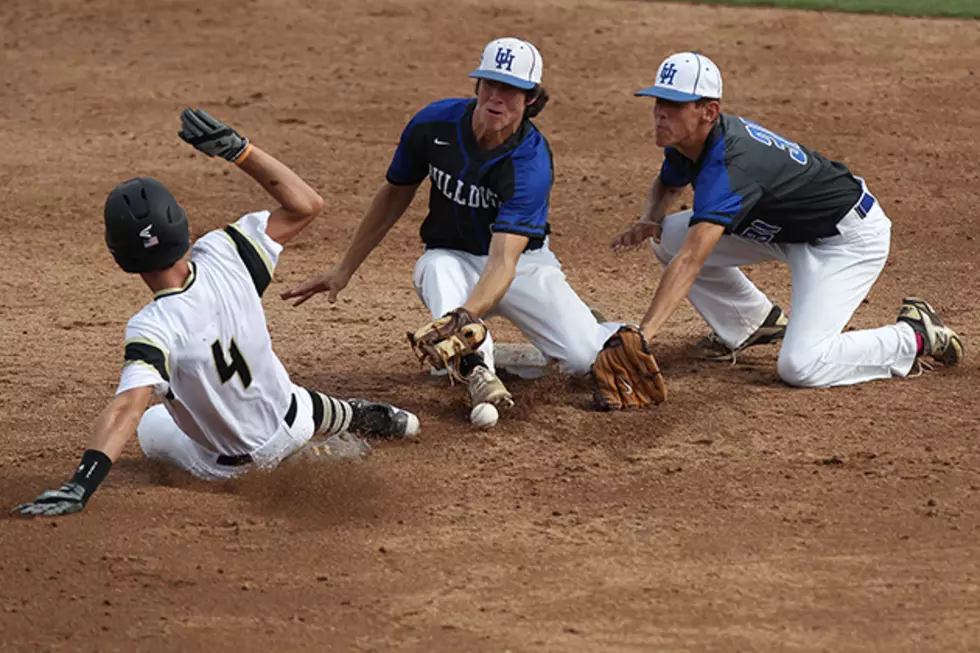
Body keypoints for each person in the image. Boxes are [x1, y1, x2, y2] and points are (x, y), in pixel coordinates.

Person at [13, 108, 419, 517]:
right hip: (292, 418)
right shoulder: (227, 253)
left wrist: (80, 485)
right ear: (183, 228)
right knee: (277, 391)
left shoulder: (152, 328)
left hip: (233, 470)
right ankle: (355, 416)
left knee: (154, 423)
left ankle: (318, 444)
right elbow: (307, 204)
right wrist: (240, 151)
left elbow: (127, 408)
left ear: (121, 257)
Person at [282, 37, 619, 412]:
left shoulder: (530, 164)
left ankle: (596, 329)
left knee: (582, 360)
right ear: (477, 85)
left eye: (510, 90)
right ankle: (477, 365)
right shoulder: (434, 124)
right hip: (451, 256)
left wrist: (463, 319)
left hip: (521, 265)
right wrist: (344, 269)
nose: (496, 97)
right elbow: (396, 193)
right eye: (489, 84)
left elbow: (502, 263)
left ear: (531, 98)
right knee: (436, 268)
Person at [612, 52, 963, 388]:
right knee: (666, 237)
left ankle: (914, 335)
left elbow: (691, 262)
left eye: (674, 105)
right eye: (659, 101)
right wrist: (649, 218)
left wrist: (643, 336)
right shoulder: (687, 142)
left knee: (802, 365)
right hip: (785, 229)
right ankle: (751, 323)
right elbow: (668, 182)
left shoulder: (731, 167)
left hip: (843, 239)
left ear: (709, 111)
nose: (660, 113)